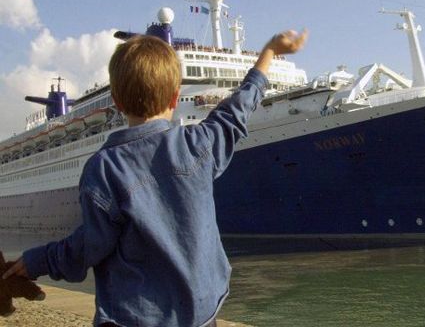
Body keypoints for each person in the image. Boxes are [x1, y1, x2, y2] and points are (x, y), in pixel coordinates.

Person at [2, 29, 308, 327]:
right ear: (176, 97)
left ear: (117, 102)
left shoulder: (104, 168)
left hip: (133, 317)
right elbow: (236, 111)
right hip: (200, 316)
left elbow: (88, 248)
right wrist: (269, 52)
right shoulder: (197, 144)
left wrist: (37, 261)